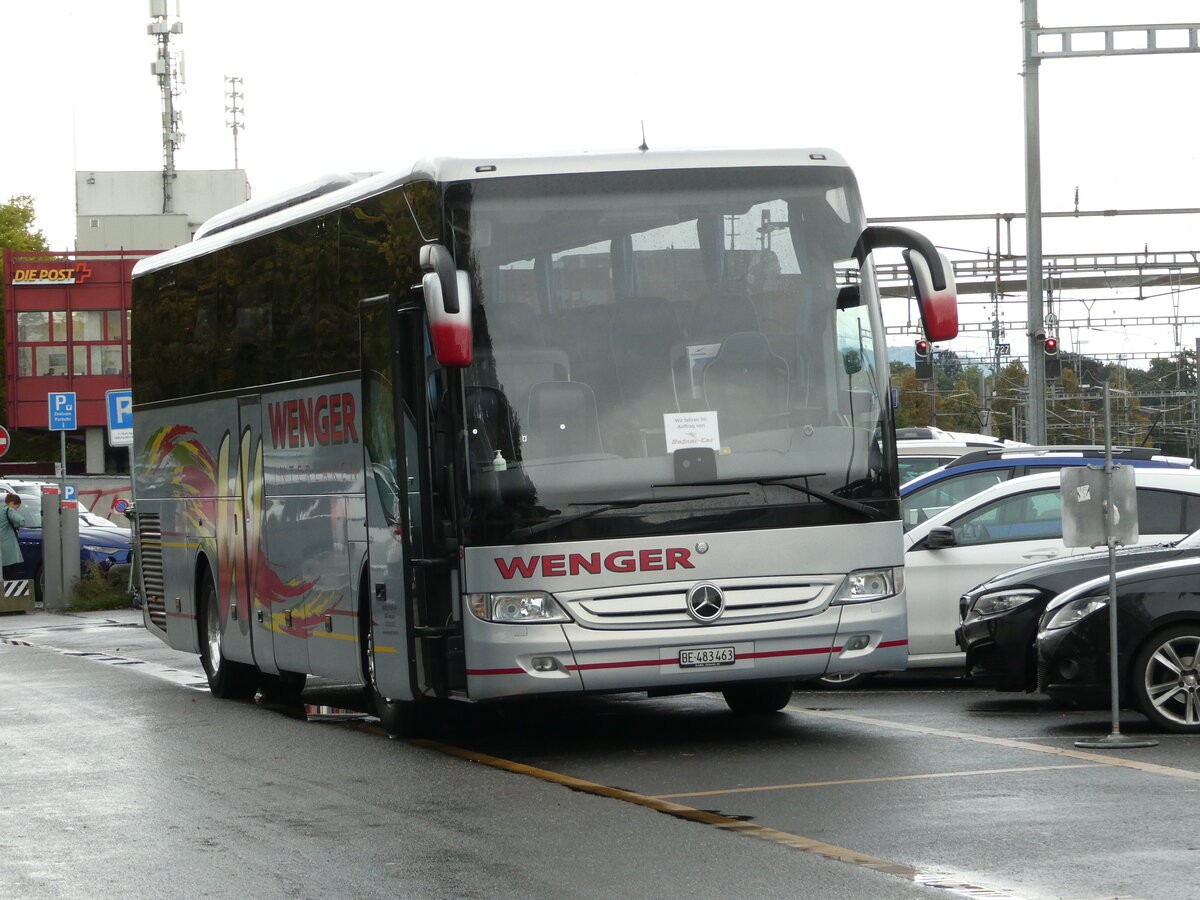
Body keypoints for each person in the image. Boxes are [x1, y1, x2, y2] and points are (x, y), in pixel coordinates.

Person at [1, 492, 25, 580]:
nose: (16, 510)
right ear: (11, 503)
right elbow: (21, 521)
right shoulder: (9, 510)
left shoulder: (1, 508)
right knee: (10, 575)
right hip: (9, 548)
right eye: (17, 507)